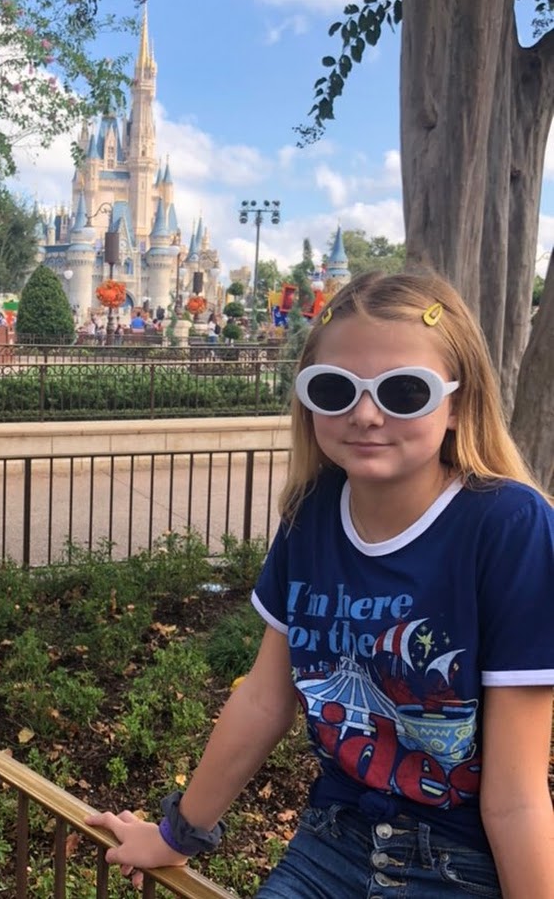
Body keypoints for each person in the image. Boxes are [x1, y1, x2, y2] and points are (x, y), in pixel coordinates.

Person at [86, 271, 554, 896]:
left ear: (458, 405)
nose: (365, 415)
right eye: (334, 389)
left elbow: (517, 797)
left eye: (404, 391)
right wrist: (178, 834)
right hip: (333, 840)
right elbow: (264, 700)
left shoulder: (509, 527)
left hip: (460, 863)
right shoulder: (311, 515)